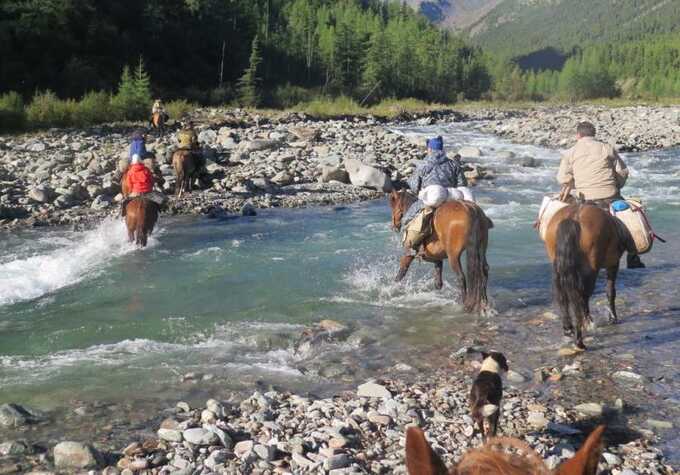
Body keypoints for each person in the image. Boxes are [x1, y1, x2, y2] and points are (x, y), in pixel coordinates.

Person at [557, 121, 644, 268]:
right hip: (609, 196)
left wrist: (572, 182)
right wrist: (617, 185)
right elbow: (622, 172)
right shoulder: (607, 148)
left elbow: (562, 178)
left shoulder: (570, 152)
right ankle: (633, 255)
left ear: (578, 135)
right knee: (632, 214)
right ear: (594, 134)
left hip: (584, 199)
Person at [401, 135, 468, 254]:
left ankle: (411, 246)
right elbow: (462, 184)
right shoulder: (453, 164)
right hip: (451, 196)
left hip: (433, 197)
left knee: (407, 218)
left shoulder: (424, 164)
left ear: (430, 149)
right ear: (442, 149)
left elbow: (414, 185)